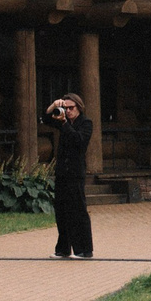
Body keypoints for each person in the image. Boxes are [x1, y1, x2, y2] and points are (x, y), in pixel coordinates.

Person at [47, 94, 95, 258]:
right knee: (61, 210)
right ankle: (63, 249)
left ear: (79, 108)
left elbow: (78, 141)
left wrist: (65, 123)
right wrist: (54, 105)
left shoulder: (86, 123)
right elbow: (46, 119)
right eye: (65, 108)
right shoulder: (62, 122)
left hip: (76, 173)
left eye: (71, 108)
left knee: (78, 210)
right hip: (62, 172)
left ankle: (84, 250)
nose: (67, 111)